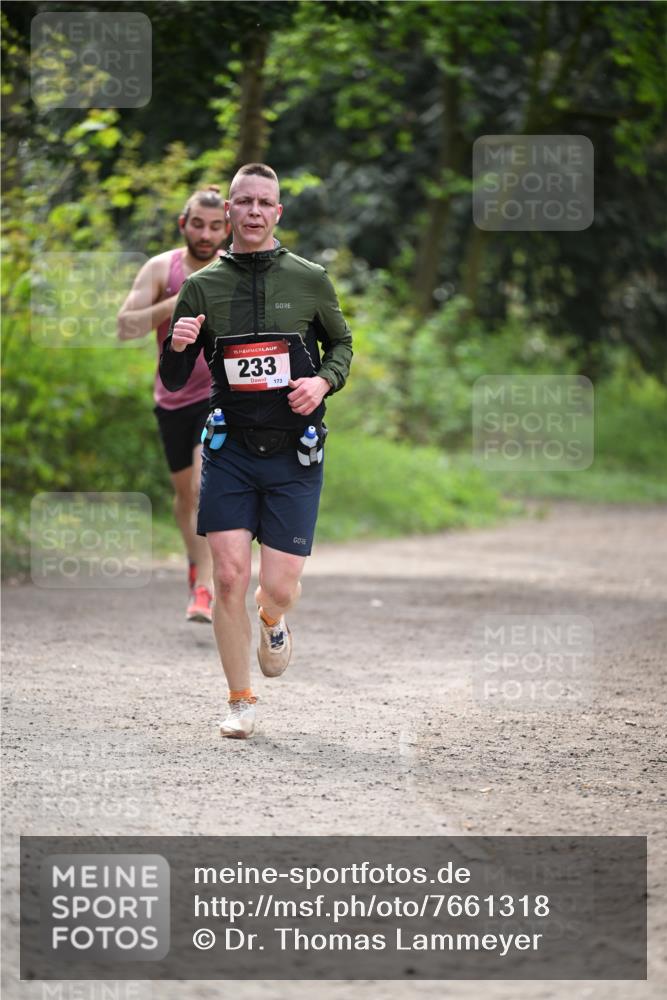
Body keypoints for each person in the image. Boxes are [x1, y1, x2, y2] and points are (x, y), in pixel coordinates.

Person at [159, 163, 353, 739]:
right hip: (229, 450)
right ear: (227, 216)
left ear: (277, 212)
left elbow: (341, 343)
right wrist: (176, 344)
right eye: (241, 203)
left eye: (262, 203)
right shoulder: (201, 287)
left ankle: (273, 618)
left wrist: (322, 382)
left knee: (281, 585)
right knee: (227, 578)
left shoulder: (311, 278)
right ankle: (240, 701)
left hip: (295, 451)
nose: (251, 212)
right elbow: (172, 379)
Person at [117, 186, 229, 623]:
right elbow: (125, 327)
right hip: (172, 398)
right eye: (197, 225)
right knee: (185, 497)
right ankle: (196, 568)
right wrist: (175, 301)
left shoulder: (234, 268)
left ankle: (207, 587)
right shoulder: (162, 267)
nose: (206, 234)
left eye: (215, 226)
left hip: (219, 395)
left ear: (227, 229)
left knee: (205, 488)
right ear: (184, 225)